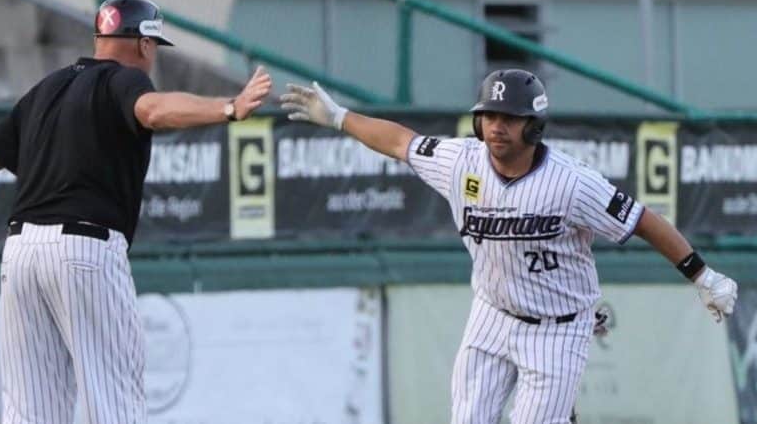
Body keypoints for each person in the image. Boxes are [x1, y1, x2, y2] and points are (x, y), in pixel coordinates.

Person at [279, 70, 737, 424]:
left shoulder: (571, 183)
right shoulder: (461, 161)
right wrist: (339, 117)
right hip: (491, 315)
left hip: (556, 328)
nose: (497, 126)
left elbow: (641, 220)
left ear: (533, 126)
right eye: (490, 116)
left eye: (510, 118)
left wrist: (703, 275)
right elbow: (401, 141)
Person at [0, 0, 271, 424]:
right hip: (83, 251)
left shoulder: (45, 89)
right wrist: (229, 107)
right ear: (143, 44)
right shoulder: (124, 81)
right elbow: (154, 111)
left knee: (30, 412)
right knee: (114, 404)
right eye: (155, 46)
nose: (153, 56)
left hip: (20, 253)